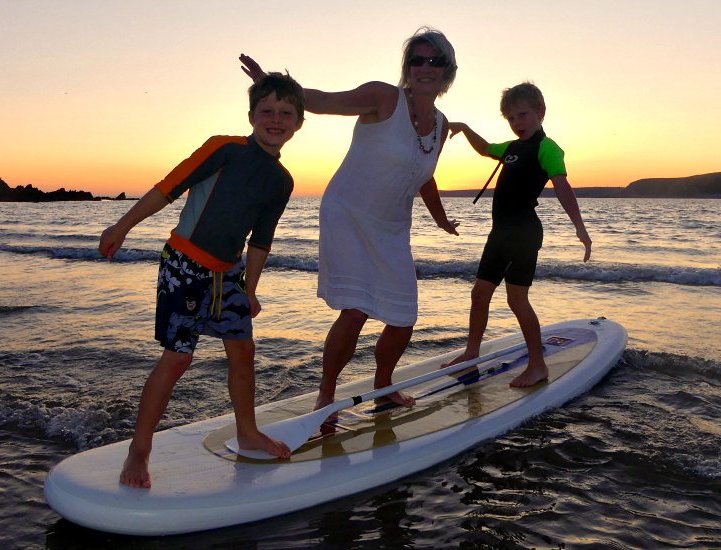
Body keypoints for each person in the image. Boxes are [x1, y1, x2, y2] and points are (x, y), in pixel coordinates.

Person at [99, 72, 305, 488]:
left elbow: (262, 240)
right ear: (251, 115)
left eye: (286, 113)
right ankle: (139, 451)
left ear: (299, 123)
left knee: (243, 350)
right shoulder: (224, 148)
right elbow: (168, 188)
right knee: (178, 359)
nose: (276, 119)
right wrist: (122, 226)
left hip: (227, 274)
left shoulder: (282, 181)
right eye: (267, 110)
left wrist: (250, 291)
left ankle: (247, 431)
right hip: (185, 266)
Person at [239, 26, 460, 413]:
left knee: (403, 315)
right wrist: (272, 85)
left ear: (448, 70)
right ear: (407, 67)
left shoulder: (441, 126)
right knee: (355, 311)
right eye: (417, 60)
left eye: (435, 60)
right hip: (348, 214)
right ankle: (326, 392)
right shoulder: (383, 97)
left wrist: (440, 219)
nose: (426, 67)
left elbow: (423, 176)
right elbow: (322, 101)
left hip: (392, 228)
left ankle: (383, 384)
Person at [444, 81, 592, 387]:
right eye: (511, 118)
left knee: (517, 300)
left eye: (522, 115)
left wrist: (579, 226)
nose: (517, 123)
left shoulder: (546, 148)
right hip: (500, 234)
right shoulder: (512, 149)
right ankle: (471, 352)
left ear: (540, 112)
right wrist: (465, 127)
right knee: (480, 293)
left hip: (523, 234)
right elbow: (486, 149)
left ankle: (538, 365)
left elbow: (562, 186)